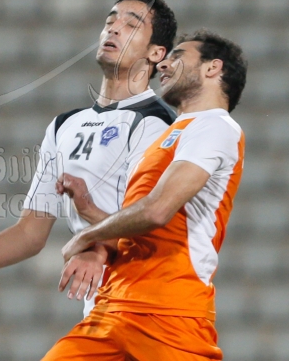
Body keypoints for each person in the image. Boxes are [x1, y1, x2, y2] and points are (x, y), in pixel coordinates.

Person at [0, 0, 177, 316]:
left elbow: (151, 225)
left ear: (156, 53)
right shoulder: (65, 126)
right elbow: (31, 231)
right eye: (110, 21)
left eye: (131, 24)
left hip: (151, 298)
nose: (114, 28)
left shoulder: (156, 123)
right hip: (103, 304)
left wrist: (96, 249)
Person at [44, 30, 248, 360]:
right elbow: (143, 229)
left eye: (178, 57)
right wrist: (89, 208)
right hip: (114, 308)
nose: (163, 64)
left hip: (168, 313)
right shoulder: (172, 134)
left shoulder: (216, 126)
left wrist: (86, 236)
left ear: (213, 68)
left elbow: (157, 211)